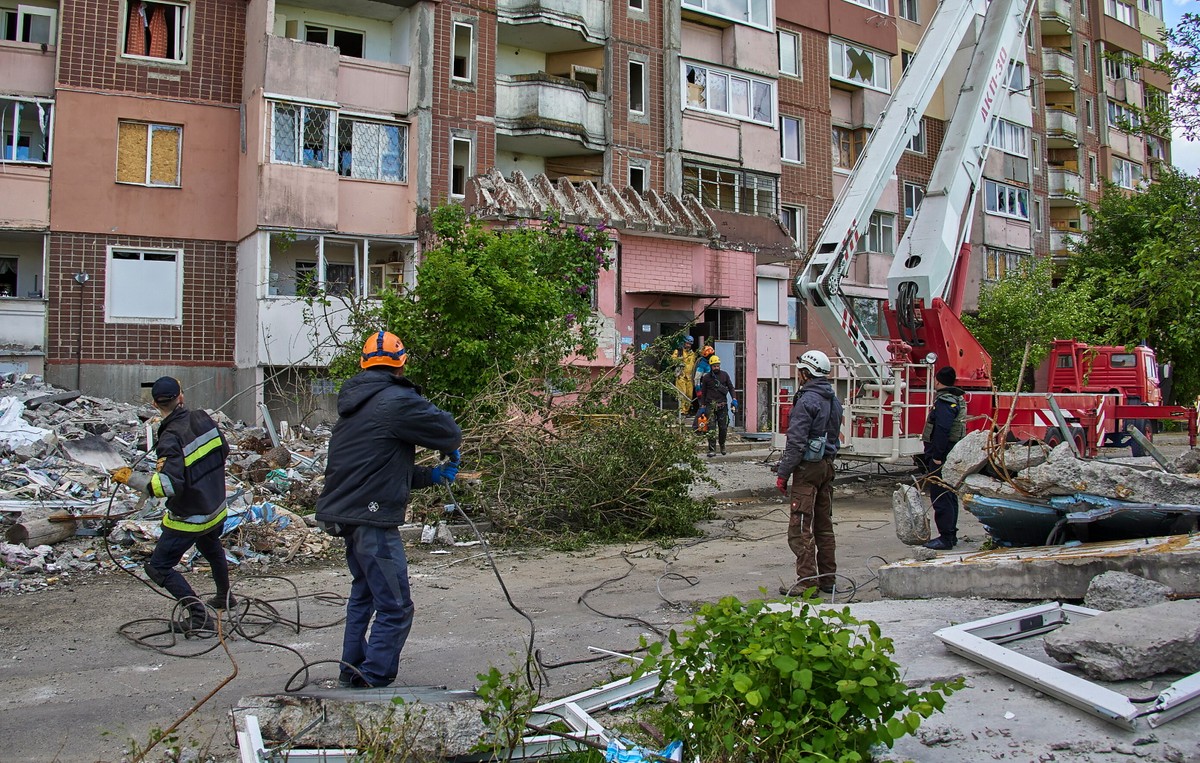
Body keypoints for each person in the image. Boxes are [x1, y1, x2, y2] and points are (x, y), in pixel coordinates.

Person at [316, 330, 463, 689]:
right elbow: (449, 432)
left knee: (364, 595)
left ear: (364, 363)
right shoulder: (396, 400)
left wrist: (432, 475)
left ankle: (351, 668)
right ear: (401, 363)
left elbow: (377, 467)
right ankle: (373, 677)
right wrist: (447, 446)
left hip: (346, 513)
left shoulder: (356, 405)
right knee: (395, 606)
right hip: (371, 520)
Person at [110, 376, 232, 635]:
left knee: (158, 567)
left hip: (190, 516)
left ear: (155, 404)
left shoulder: (170, 437)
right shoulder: (202, 417)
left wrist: (131, 479)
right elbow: (224, 450)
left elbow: (167, 486)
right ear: (181, 397)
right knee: (212, 548)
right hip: (216, 507)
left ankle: (199, 616)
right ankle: (225, 597)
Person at [775, 350, 843, 595]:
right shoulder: (833, 400)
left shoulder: (806, 401)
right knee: (824, 525)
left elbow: (795, 442)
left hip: (807, 469)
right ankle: (828, 579)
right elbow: (834, 436)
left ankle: (807, 583)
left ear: (806, 372)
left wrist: (783, 474)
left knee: (800, 526)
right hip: (826, 467)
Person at [921, 366, 967, 551]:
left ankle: (946, 537)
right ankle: (951, 534)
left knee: (940, 494)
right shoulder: (956, 398)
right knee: (949, 493)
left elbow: (942, 429)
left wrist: (937, 456)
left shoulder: (945, 402)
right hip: (951, 452)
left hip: (943, 453)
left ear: (938, 381)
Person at [697, 354, 738, 456]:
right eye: (714, 366)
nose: (716, 367)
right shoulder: (706, 378)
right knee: (711, 428)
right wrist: (702, 406)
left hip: (722, 405)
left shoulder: (725, 375)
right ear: (711, 366)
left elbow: (731, 387)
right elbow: (704, 392)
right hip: (710, 405)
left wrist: (734, 399)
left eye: (717, 365)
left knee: (723, 427)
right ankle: (712, 449)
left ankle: (722, 445)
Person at [670, 336, 698, 416]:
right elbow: (672, 360)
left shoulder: (692, 354)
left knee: (689, 395)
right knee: (682, 393)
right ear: (684, 343)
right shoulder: (678, 351)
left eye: (690, 344)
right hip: (681, 376)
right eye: (687, 343)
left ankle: (686, 411)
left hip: (690, 377)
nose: (688, 345)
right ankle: (681, 411)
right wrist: (678, 360)